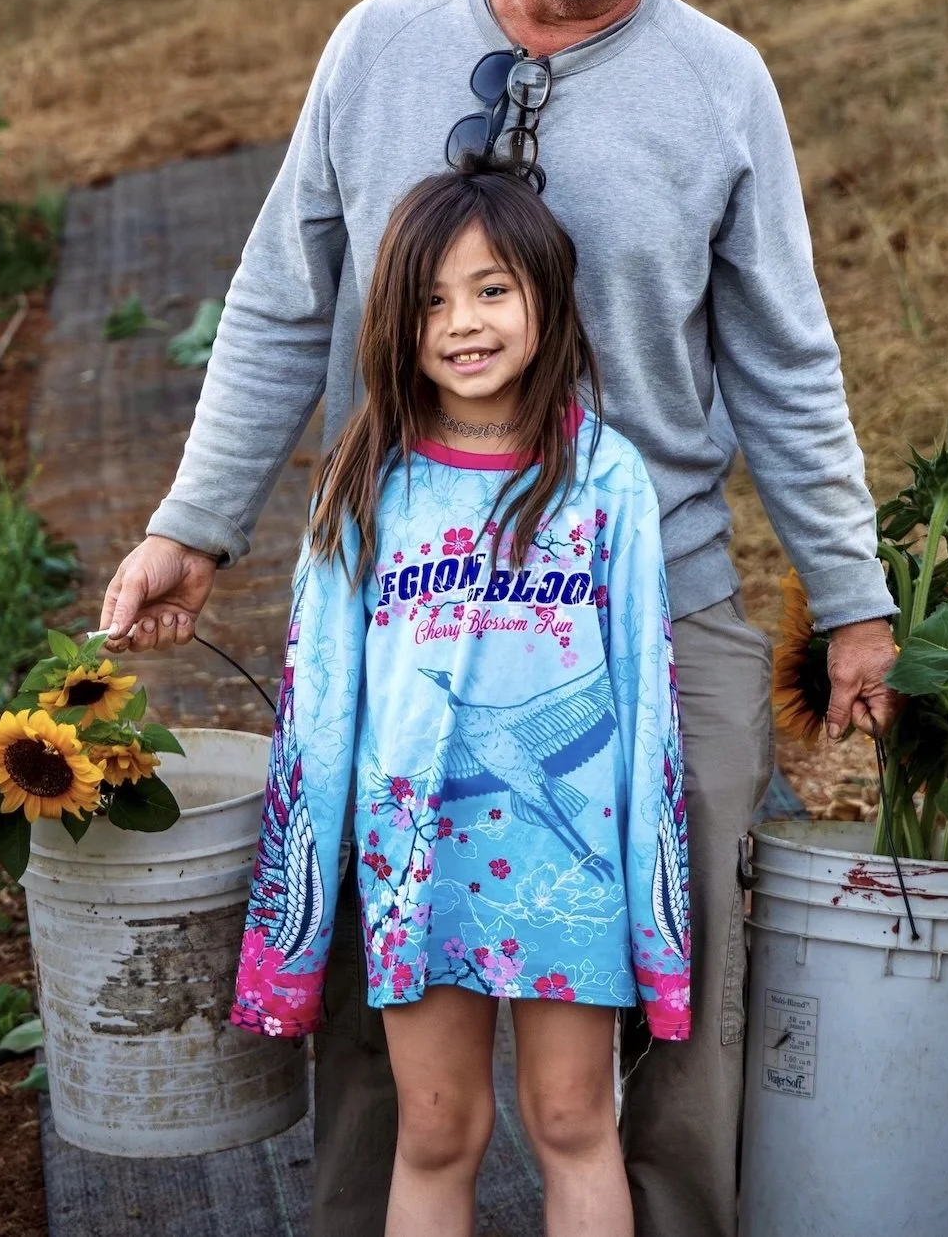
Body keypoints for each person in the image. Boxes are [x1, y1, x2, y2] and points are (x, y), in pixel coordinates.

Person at [101, 0, 899, 1237]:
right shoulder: (378, 43)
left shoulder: (721, 86)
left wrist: (849, 598)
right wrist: (189, 525)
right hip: (403, 599)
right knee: (379, 962)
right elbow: (281, 300)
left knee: (676, 977)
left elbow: (787, 364)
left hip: (655, 599)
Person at [230, 161, 689, 1237]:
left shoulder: (605, 480)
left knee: (573, 1117)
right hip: (416, 869)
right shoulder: (364, 482)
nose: (461, 322)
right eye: (430, 298)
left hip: (568, 866)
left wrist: (652, 912)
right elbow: (319, 713)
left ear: (546, 298)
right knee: (436, 1130)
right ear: (394, 320)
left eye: (491, 289)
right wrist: (292, 935)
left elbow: (647, 708)